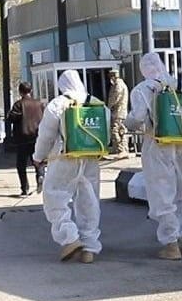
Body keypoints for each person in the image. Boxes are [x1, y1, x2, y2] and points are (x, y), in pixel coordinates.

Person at [126, 54, 182, 260]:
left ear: (143, 70)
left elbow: (138, 117)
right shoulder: (180, 85)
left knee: (162, 193)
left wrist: (127, 122)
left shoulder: (143, 89)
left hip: (158, 145)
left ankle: (171, 243)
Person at [33, 70, 108, 263]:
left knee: (54, 195)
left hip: (64, 157)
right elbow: (105, 132)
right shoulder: (97, 104)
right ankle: (89, 248)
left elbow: (46, 136)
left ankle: (70, 238)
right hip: (90, 157)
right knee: (89, 200)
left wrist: (38, 157)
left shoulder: (58, 104)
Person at [7, 83, 45, 196]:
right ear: (31, 91)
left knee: (21, 165)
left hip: (22, 139)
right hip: (37, 137)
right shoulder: (39, 104)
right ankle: (40, 176)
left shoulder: (18, 104)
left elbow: (11, 118)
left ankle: (25, 188)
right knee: (38, 161)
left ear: (20, 92)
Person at [107, 69, 130, 156]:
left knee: (115, 130)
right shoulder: (121, 84)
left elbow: (115, 97)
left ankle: (120, 149)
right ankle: (122, 149)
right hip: (121, 112)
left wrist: (108, 106)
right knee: (121, 130)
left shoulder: (118, 85)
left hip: (118, 112)